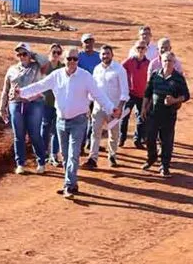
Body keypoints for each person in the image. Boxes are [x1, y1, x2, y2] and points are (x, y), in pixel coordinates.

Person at [17, 48, 119, 199]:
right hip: (61, 122)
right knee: (64, 155)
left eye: (75, 59)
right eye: (69, 59)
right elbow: (40, 86)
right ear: (64, 60)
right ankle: (71, 182)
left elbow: (98, 94)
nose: (72, 62)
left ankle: (69, 186)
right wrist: (22, 92)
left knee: (73, 154)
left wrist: (111, 108)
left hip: (79, 121)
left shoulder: (85, 76)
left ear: (78, 60)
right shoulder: (56, 75)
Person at [0, 42, 48, 175]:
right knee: (18, 135)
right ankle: (20, 163)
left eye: (24, 53)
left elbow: (46, 61)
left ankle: (41, 162)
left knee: (34, 134)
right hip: (16, 103)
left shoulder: (37, 67)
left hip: (34, 103)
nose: (21, 56)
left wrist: (33, 55)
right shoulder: (12, 69)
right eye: (19, 54)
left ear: (29, 54)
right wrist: (2, 107)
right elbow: (5, 89)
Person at [141, 51, 190, 178]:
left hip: (169, 114)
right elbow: (147, 93)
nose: (167, 63)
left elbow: (186, 95)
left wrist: (174, 100)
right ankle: (151, 158)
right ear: (161, 62)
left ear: (174, 63)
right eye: (165, 60)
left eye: (170, 61)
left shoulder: (178, 78)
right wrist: (143, 108)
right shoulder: (155, 75)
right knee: (149, 138)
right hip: (153, 113)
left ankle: (165, 166)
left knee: (166, 141)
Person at [87, 44, 129, 168]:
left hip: (114, 107)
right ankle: (93, 158)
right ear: (100, 55)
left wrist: (120, 107)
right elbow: (93, 89)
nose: (105, 56)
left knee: (114, 133)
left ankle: (112, 156)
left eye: (107, 53)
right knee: (95, 132)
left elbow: (125, 91)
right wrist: (88, 105)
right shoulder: (97, 69)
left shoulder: (119, 69)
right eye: (103, 54)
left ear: (112, 55)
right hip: (98, 107)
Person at [120, 40, 150, 148]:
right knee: (124, 116)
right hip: (130, 94)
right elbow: (119, 70)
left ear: (146, 50)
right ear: (135, 49)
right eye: (138, 48)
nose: (140, 50)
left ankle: (138, 140)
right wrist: (124, 85)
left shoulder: (148, 63)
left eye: (143, 48)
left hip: (142, 95)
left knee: (141, 118)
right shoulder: (129, 61)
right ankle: (121, 138)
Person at [40, 43, 65, 167]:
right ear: (49, 53)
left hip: (58, 103)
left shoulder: (63, 67)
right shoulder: (44, 67)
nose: (56, 55)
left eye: (58, 53)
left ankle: (54, 155)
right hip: (45, 102)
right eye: (53, 52)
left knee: (56, 130)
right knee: (44, 128)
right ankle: (43, 154)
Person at [77, 32, 101, 151]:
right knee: (82, 118)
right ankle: (80, 145)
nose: (88, 44)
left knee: (94, 118)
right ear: (82, 44)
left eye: (90, 41)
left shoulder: (99, 56)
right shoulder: (78, 56)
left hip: (95, 91)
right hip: (81, 92)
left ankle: (90, 142)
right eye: (86, 42)